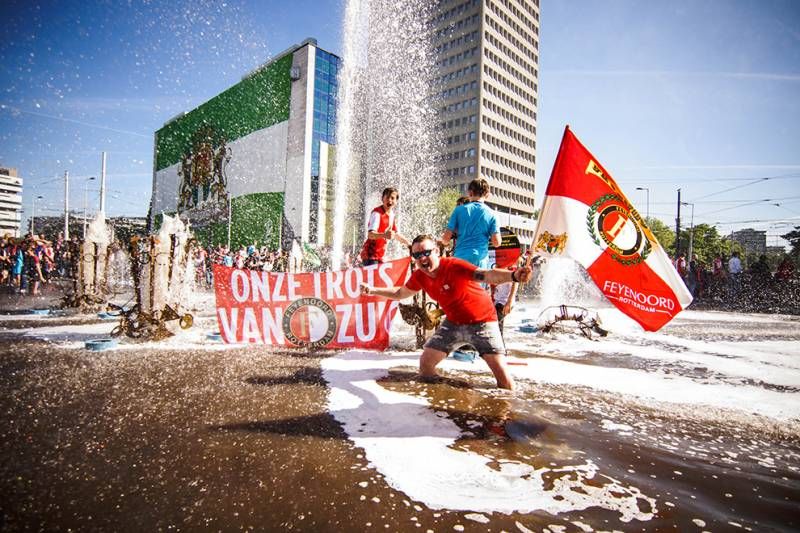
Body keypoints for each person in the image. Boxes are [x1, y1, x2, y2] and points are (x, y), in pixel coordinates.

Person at [360, 234, 533, 390]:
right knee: (426, 366)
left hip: (483, 322)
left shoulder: (453, 265)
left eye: (426, 252)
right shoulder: (420, 276)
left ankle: (508, 419)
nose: (422, 259)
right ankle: (451, 392)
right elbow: (399, 293)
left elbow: (486, 275)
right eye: (417, 255)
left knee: (504, 381)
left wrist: (514, 276)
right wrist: (372, 290)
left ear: (436, 250)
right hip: (453, 324)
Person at [441, 178, 501, 269]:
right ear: (487, 195)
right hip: (480, 260)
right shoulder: (493, 214)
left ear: (470, 193)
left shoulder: (458, 210)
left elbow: (445, 239)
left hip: (460, 258)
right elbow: (496, 243)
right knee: (477, 284)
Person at [359, 187, 410, 266]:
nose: (389, 200)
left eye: (392, 198)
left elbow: (395, 234)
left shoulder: (391, 215)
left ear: (396, 201)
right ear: (382, 199)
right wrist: (384, 235)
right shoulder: (377, 213)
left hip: (379, 256)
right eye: (387, 197)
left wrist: (408, 244)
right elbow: (370, 235)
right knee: (374, 278)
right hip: (370, 255)